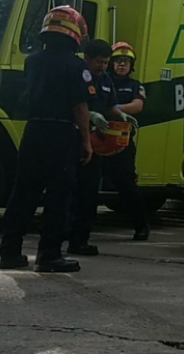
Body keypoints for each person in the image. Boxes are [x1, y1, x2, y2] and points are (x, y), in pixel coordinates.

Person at [0, 6, 93, 273]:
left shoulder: (32, 61)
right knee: (59, 195)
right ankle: (49, 255)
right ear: (75, 32)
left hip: (33, 131)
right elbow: (80, 107)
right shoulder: (76, 65)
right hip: (60, 133)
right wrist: (86, 142)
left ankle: (10, 253)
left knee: (23, 193)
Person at [68, 39, 124, 256]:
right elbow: (71, 104)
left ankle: (80, 239)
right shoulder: (79, 74)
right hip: (73, 138)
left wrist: (121, 116)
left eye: (106, 62)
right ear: (87, 58)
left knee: (89, 194)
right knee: (69, 191)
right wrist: (90, 115)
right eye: (99, 62)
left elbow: (111, 105)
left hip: (96, 143)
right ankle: (64, 233)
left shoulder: (106, 79)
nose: (102, 66)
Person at [104, 41, 150, 241]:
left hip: (121, 142)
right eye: (118, 61)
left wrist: (113, 110)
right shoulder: (103, 81)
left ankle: (141, 226)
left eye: (125, 61)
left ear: (132, 65)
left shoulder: (134, 86)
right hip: (98, 138)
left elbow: (137, 106)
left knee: (127, 186)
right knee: (85, 185)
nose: (121, 65)